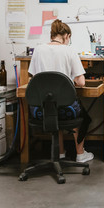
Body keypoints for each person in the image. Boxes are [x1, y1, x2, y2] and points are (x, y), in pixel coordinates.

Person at [28, 19, 94, 163]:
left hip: (40, 110)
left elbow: (33, 78)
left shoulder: (38, 49)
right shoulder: (69, 50)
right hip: (66, 110)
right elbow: (81, 82)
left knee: (53, 110)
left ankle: (60, 152)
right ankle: (80, 154)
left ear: (52, 35)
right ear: (67, 36)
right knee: (83, 117)